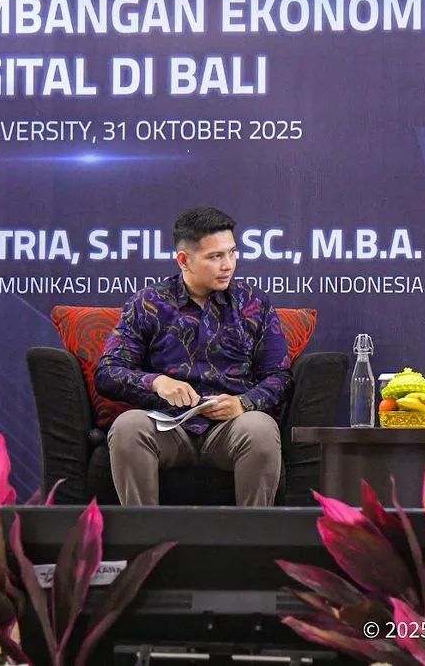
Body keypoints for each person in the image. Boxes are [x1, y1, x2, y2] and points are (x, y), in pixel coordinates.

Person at [94, 206, 292, 507]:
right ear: (184, 260)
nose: (228, 265)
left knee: (260, 428)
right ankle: (144, 533)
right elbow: (108, 371)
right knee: (128, 426)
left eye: (232, 253)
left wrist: (243, 403)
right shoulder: (148, 303)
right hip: (167, 426)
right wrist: (156, 382)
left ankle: (252, 535)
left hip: (231, 428)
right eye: (215, 257)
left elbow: (280, 376)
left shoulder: (253, 302)